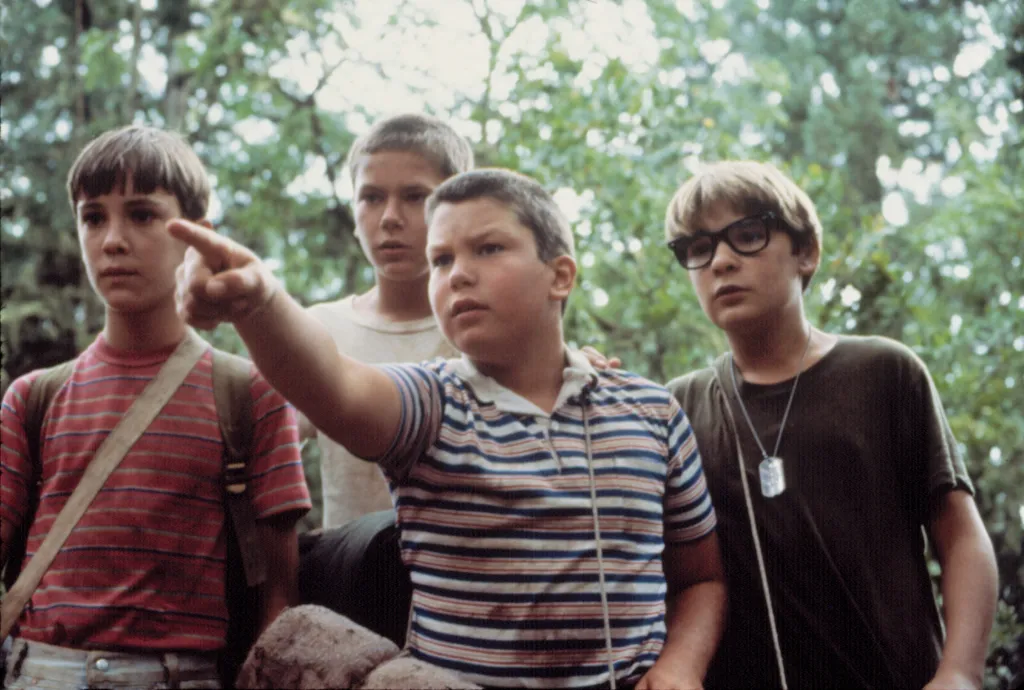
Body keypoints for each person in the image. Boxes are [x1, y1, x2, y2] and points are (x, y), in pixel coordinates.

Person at [171, 168, 727, 689]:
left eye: (488, 248)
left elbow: (701, 578)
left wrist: (680, 667)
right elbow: (335, 386)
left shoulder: (652, 412)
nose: (458, 273)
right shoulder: (430, 404)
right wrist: (259, 302)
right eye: (440, 260)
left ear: (560, 276)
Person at [659, 160, 998, 689]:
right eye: (698, 248)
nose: (721, 261)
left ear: (806, 252)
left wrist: (960, 672)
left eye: (747, 236)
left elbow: (960, 537)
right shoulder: (674, 408)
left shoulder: (884, 372)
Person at [0, 125, 311, 689]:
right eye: (93, 218)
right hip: (40, 670)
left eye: (142, 215)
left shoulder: (249, 394)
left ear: (198, 237)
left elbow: (279, 599)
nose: (113, 241)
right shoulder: (34, 398)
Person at [305, 113, 470, 529]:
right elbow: (262, 447)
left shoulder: (484, 329)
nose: (390, 217)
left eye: (415, 197)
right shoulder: (319, 329)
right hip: (349, 566)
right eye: (372, 197)